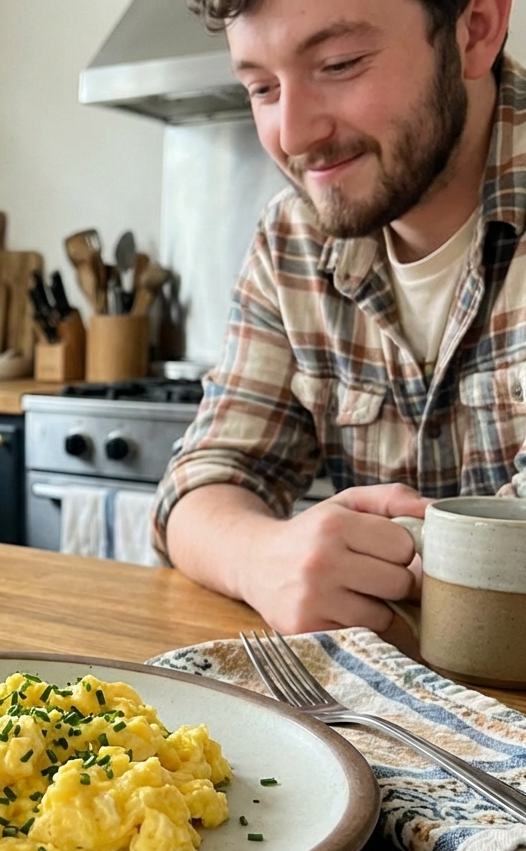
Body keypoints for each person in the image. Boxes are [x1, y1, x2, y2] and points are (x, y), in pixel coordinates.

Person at [154, 0, 526, 634]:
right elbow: (198, 485)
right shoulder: (293, 235)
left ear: (476, 28)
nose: (292, 136)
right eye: (261, 88)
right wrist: (260, 557)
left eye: (339, 64)